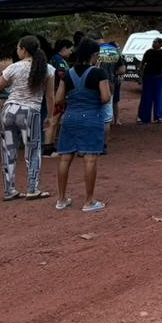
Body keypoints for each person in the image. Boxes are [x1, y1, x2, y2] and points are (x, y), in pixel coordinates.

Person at [0, 35, 56, 201]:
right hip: (30, 112)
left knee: (8, 151)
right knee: (32, 151)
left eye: (18, 48)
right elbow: (50, 96)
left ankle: (9, 189)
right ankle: (32, 188)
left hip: (9, 111)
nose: (17, 51)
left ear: (24, 50)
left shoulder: (13, 68)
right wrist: (50, 116)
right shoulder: (48, 69)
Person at [54, 38, 111, 212]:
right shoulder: (99, 73)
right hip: (91, 117)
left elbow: (58, 99)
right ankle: (89, 201)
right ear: (93, 55)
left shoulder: (68, 73)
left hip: (70, 116)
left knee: (65, 158)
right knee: (90, 158)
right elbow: (105, 98)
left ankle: (61, 199)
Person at [43, 38, 73, 156]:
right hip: (56, 92)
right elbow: (61, 75)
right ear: (64, 48)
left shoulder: (58, 59)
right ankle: (47, 147)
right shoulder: (58, 60)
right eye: (70, 49)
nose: (71, 52)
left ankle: (50, 145)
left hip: (58, 92)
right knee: (53, 119)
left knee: (55, 119)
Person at [137, 37, 162, 125]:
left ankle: (158, 117)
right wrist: (140, 77)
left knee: (158, 97)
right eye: (153, 42)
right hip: (148, 77)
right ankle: (144, 117)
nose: (153, 43)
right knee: (146, 97)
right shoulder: (148, 52)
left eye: (155, 42)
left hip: (159, 77)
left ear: (160, 44)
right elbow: (142, 64)